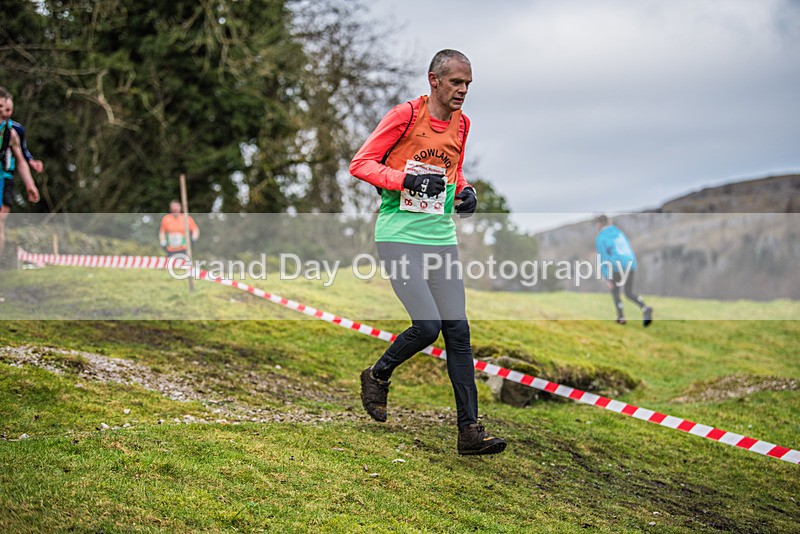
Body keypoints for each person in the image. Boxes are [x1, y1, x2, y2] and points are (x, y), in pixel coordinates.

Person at [349, 49, 506, 456]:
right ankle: (378, 375)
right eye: (456, 82)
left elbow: (453, 171)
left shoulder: (462, 123)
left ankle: (469, 433)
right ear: (434, 80)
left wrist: (467, 191)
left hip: (440, 238)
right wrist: (406, 182)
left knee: (459, 332)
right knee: (427, 325)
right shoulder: (405, 115)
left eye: (468, 84)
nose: (463, 91)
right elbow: (361, 163)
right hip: (398, 233)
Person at [0, 93, 40, 260]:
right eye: (1, 107)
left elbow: (21, 160)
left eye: (8, 109)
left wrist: (30, 184)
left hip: (3, 181)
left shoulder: (13, 132)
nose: (4, 112)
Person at [595, 215, 653, 326]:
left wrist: (606, 276)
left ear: (599, 224)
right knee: (628, 292)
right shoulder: (619, 233)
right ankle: (645, 308)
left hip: (617, 266)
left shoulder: (601, 237)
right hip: (630, 263)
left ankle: (621, 317)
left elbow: (603, 258)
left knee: (615, 290)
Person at [0, 88, 44, 175]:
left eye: (8, 110)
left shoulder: (16, 129)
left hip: (6, 175)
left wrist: (31, 160)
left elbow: (23, 149)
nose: (4, 113)